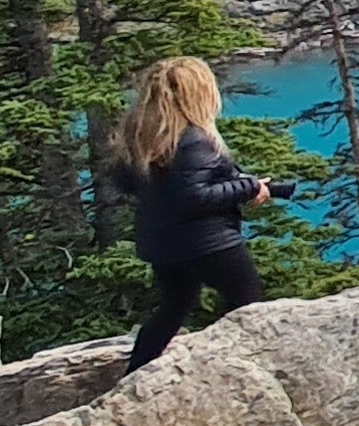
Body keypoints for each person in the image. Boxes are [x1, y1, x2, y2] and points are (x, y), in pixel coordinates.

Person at [109, 55, 287, 372]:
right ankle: (240, 372)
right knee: (247, 303)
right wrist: (247, 187)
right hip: (210, 244)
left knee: (173, 309)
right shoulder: (195, 140)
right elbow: (194, 197)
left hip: (163, 247)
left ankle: (134, 375)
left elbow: (125, 182)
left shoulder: (143, 137)